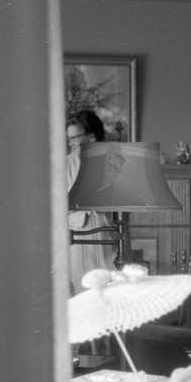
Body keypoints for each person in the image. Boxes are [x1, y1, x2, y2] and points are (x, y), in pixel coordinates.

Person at [67, 111, 116, 295]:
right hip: (80, 235)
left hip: (106, 231)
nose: (72, 143)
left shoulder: (112, 161)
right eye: (69, 139)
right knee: (87, 292)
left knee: (108, 290)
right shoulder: (68, 163)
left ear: (92, 136)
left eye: (76, 138)